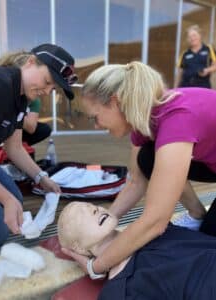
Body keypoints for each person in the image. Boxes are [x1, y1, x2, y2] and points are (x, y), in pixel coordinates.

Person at [62, 61, 216, 281]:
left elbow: (156, 222)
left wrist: (96, 266)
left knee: (210, 240)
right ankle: (197, 215)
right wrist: (101, 223)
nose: (96, 126)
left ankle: (204, 222)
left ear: (115, 102)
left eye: (94, 117)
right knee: (147, 157)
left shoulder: (177, 119)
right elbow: (136, 182)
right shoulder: (142, 121)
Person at [0, 43, 77, 248]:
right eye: (47, 81)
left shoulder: (20, 98)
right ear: (30, 62)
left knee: (15, 201)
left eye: (52, 88)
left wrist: (41, 177)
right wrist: (6, 198)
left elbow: (14, 148)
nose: (47, 91)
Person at [58, 201, 216, 299]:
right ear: (77, 247)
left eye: (94, 206)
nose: (96, 209)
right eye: (81, 215)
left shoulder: (158, 227)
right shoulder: (119, 292)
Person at [175, 24, 216, 88]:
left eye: (194, 35)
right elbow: (179, 73)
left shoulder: (209, 49)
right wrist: (175, 88)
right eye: (189, 37)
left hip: (203, 86)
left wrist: (207, 70)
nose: (192, 38)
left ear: (200, 35)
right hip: (185, 86)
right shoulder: (185, 53)